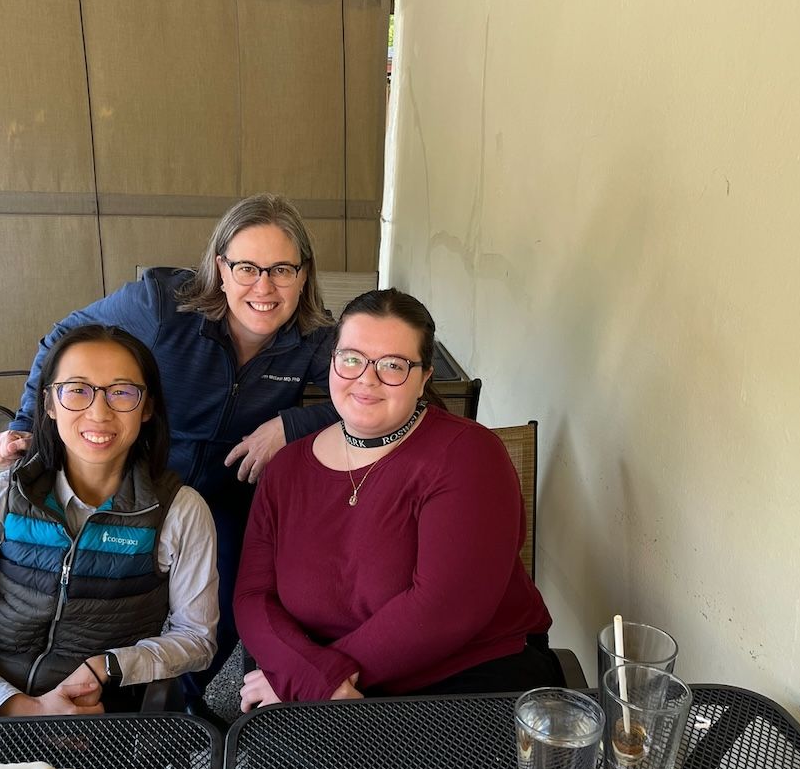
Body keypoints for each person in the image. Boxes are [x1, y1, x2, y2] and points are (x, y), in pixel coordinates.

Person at [0, 194, 338, 696]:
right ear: (220, 266)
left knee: (235, 598)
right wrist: (25, 423)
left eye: (281, 269)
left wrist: (291, 424)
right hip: (140, 478)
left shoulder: (315, 337)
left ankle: (173, 709)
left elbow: (369, 394)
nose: (264, 286)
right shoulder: (163, 305)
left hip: (231, 492)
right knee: (107, 597)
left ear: (303, 274)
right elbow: (65, 336)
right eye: (247, 268)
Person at [235, 289, 561, 710]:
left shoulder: (468, 454)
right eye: (352, 358)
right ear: (332, 362)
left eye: (393, 365)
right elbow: (253, 596)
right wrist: (308, 674)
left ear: (425, 375)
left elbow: (445, 610)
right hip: (319, 678)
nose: (366, 379)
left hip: (463, 678)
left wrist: (315, 681)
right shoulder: (286, 469)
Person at [0, 325, 219, 718]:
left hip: (100, 706)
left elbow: (196, 638)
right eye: (77, 390)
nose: (99, 411)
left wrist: (109, 666)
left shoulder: (181, 510)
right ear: (50, 404)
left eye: (122, 392)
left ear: (147, 407)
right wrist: (17, 705)